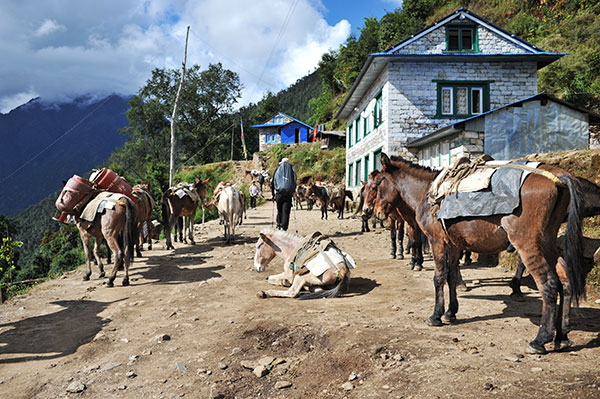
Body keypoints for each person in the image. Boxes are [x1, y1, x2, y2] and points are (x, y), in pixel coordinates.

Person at [271, 158, 296, 230]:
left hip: (279, 193)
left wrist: (272, 194)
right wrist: (293, 191)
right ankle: (284, 227)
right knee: (286, 210)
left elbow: (273, 183)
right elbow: (294, 181)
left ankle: (279, 224)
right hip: (288, 194)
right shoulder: (292, 170)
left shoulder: (277, 170)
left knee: (279, 209)